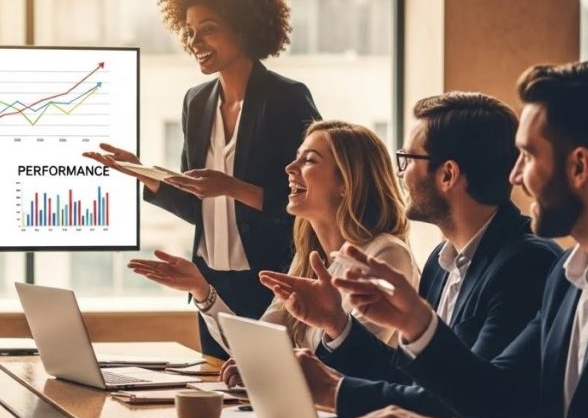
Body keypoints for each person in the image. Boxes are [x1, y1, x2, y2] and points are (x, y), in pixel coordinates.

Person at [317, 61, 588, 418]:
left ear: (579, 166)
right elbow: (497, 394)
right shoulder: (567, 280)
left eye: (528, 155)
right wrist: (417, 326)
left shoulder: (536, 264)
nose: (515, 176)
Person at [85, 0, 321, 357]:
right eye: (190, 32)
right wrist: (144, 174)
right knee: (216, 389)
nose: (195, 43)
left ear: (245, 28)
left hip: (272, 280)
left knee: (268, 391)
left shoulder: (286, 99)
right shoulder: (197, 102)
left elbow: (310, 200)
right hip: (211, 283)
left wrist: (232, 188)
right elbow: (199, 206)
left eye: (208, 30)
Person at [281, 93, 561, 418]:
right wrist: (337, 323)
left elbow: (473, 400)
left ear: (447, 175)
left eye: (408, 160)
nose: (400, 174)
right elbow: (413, 379)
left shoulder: (525, 263)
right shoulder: (440, 262)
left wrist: (337, 393)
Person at [130, 121, 419, 359]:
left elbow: (358, 364)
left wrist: (277, 367)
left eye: (308, 160)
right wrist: (202, 291)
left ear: (346, 182)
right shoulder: (309, 258)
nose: (289, 168)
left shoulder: (386, 255)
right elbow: (257, 350)